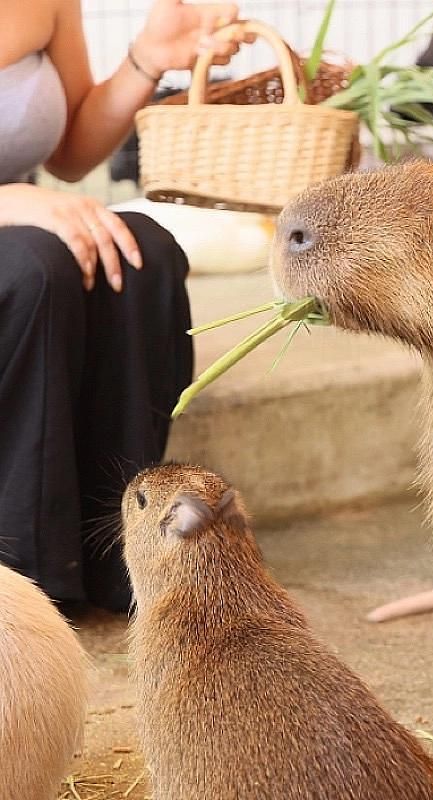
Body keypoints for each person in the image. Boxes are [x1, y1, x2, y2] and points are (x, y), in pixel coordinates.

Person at [0, 0, 249, 613]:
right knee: (40, 267)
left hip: (19, 219)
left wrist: (146, 61)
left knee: (144, 255)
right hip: (15, 228)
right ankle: (25, 583)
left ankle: (118, 561)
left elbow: (71, 151)